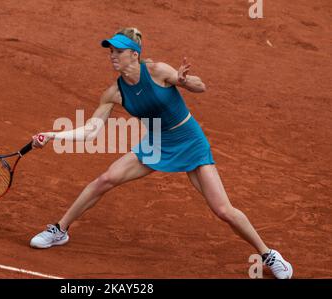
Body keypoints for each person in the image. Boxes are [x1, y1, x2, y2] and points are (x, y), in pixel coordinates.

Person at [28, 28, 293, 279]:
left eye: (118, 51)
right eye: (110, 51)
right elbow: (90, 131)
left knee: (223, 209)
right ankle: (59, 229)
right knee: (105, 180)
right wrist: (54, 135)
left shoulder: (157, 71)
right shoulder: (114, 93)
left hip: (189, 141)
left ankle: (268, 254)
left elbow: (202, 87)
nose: (113, 56)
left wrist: (184, 81)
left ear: (134, 54)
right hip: (156, 142)